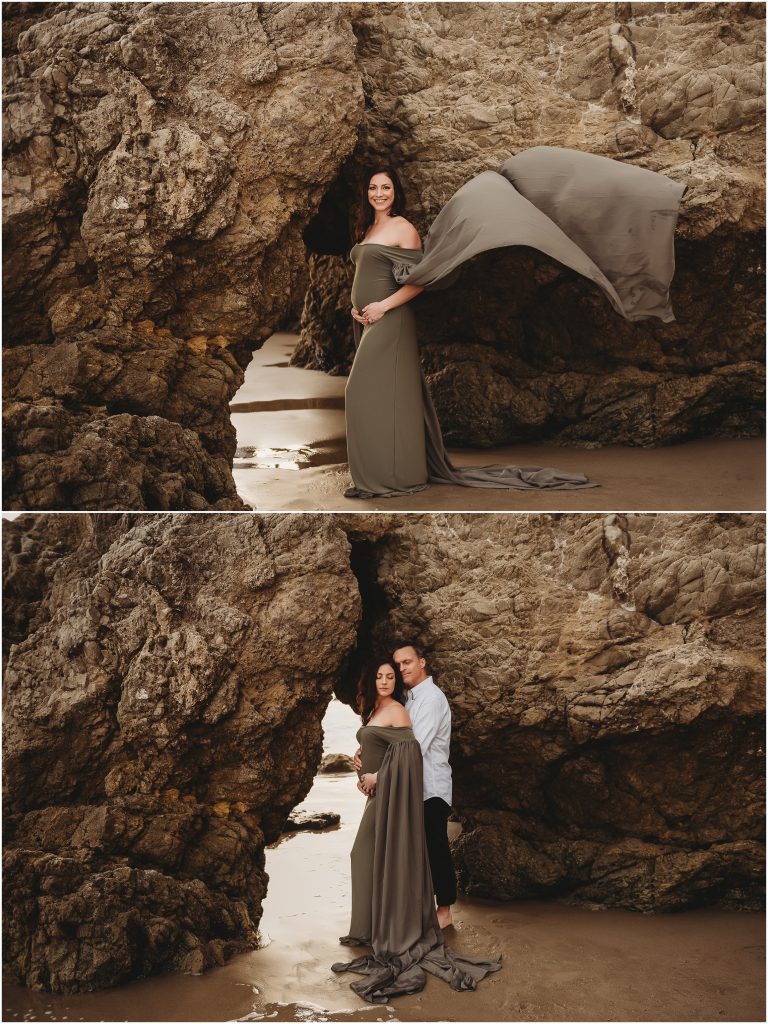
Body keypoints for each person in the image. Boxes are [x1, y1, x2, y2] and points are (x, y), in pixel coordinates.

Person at [344, 147, 687, 499]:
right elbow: (370, 273)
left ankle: (394, 478)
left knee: (360, 393)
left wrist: (383, 306)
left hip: (391, 319)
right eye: (373, 188)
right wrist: (359, 309)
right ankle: (384, 475)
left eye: (386, 187)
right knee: (382, 398)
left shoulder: (403, 228)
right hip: (368, 319)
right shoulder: (368, 227)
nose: (379, 194)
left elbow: (419, 280)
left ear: (395, 192)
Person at [334, 656, 500, 1002]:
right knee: (371, 857)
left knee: (367, 853)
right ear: (370, 681)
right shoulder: (376, 710)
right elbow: (382, 747)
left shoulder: (399, 709)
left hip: (392, 796)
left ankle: (390, 926)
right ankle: (369, 928)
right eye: (380, 675)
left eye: (390, 676)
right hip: (377, 795)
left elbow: (410, 752)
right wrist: (360, 758)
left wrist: (379, 777)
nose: (385, 680)